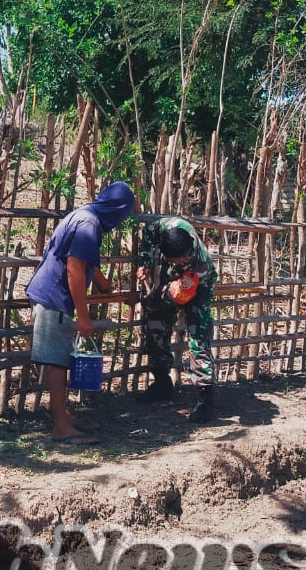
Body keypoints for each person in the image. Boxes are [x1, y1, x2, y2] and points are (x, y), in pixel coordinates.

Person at [26, 181, 136, 443]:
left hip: (48, 292)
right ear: (118, 209)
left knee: (58, 359)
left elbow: (83, 261)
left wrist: (104, 285)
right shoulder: (90, 224)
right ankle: (61, 427)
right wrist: (83, 316)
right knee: (57, 362)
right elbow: (74, 268)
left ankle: (64, 416)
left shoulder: (82, 216)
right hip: (55, 297)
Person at [135, 216, 218, 423]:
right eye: (180, 259)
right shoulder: (163, 228)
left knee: (199, 337)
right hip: (170, 281)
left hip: (197, 288)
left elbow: (178, 294)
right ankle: (162, 383)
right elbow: (147, 235)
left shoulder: (200, 264)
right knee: (156, 324)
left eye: (185, 257)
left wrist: (163, 294)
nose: (184, 260)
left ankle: (206, 398)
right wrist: (145, 263)